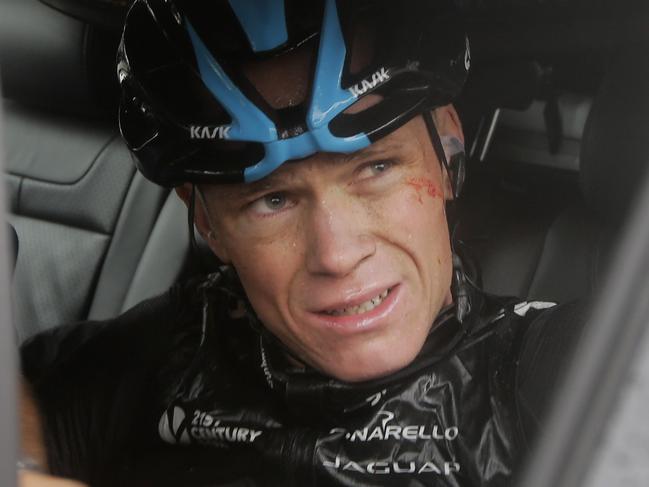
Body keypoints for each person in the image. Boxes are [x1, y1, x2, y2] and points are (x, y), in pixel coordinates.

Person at [19, 1, 587, 486]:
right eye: (272, 201)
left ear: (448, 153)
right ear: (208, 225)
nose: (336, 255)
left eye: (377, 168)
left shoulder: (562, 371)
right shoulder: (174, 348)